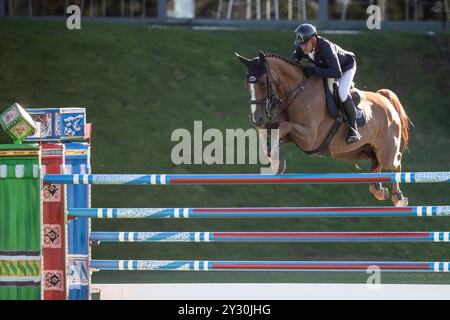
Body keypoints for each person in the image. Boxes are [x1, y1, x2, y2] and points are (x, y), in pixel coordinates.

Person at [291, 23, 361, 144]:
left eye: (304, 44)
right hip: (327, 68)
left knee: (342, 93)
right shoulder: (302, 46)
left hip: (345, 68)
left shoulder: (325, 47)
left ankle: (353, 128)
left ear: (313, 40)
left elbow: (336, 72)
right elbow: (292, 64)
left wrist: (312, 71)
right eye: (300, 45)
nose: (302, 48)